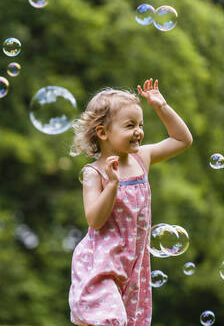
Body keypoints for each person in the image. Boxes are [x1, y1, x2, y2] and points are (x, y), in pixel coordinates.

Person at [68, 79, 193, 326]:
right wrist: (112, 185)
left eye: (140, 124)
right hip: (103, 264)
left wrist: (161, 106)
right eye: (129, 125)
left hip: (134, 266)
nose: (138, 131)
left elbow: (182, 140)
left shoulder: (141, 158)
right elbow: (94, 219)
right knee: (110, 320)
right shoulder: (95, 173)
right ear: (103, 133)